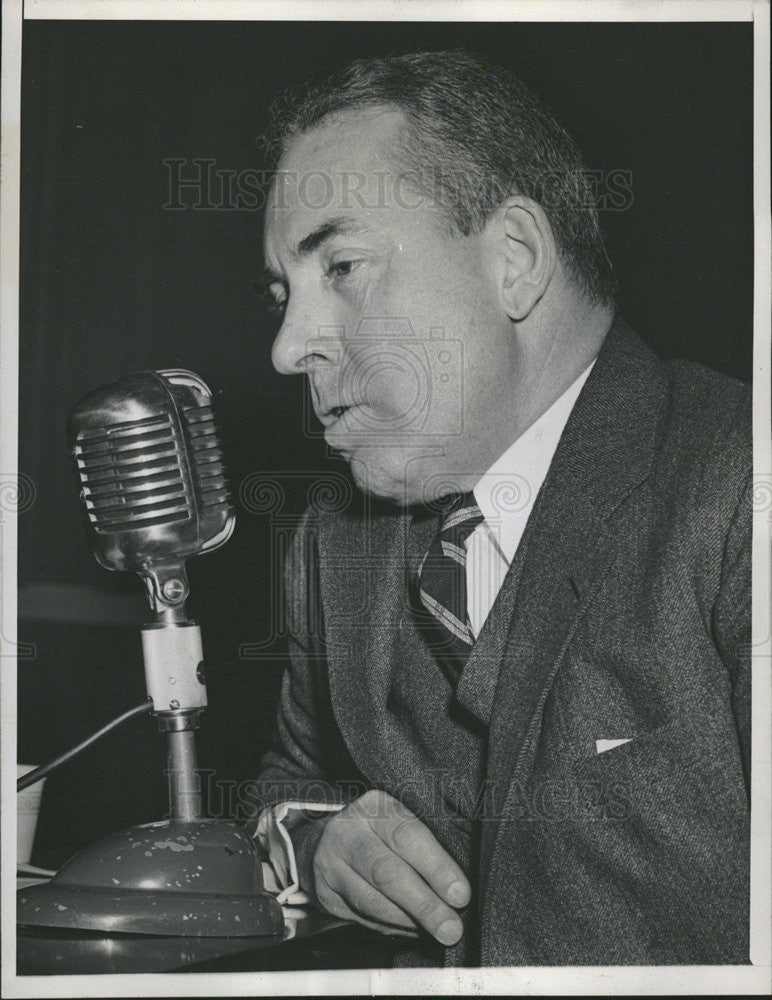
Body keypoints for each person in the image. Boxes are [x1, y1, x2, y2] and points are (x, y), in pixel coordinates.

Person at [251, 51, 751, 966]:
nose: (287, 349)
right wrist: (315, 847)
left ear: (514, 262)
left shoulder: (739, 481)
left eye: (345, 265)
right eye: (284, 294)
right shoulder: (335, 542)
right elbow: (286, 785)